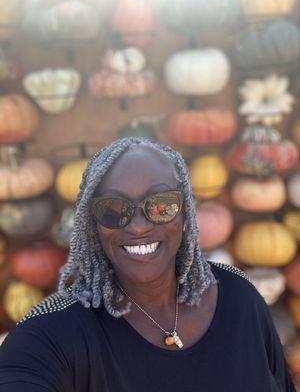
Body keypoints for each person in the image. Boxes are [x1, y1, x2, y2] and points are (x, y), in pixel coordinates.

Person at [0, 137, 295, 391]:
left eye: (161, 204)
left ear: (185, 212)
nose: (139, 227)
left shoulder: (239, 296)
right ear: (93, 223)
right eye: (114, 209)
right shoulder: (51, 333)